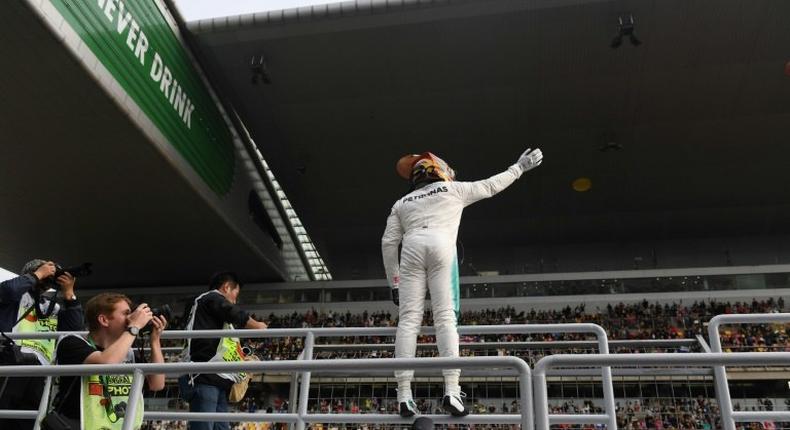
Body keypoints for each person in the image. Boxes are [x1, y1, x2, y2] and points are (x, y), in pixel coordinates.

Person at [381, 149, 543, 417]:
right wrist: (519, 168)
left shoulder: (401, 202)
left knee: (409, 320)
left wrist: (394, 282)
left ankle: (404, 396)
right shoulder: (452, 189)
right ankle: (452, 392)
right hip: (441, 245)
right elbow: (491, 186)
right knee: (445, 318)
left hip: (410, 248)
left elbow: (388, 243)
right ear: (440, 172)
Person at [54, 292, 166, 430]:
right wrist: (134, 327)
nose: (131, 318)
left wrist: (155, 341)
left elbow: (157, 384)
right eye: (126, 313)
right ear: (104, 320)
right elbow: (106, 364)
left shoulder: (128, 353)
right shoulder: (71, 343)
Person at [0, 259, 84, 430]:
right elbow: (7, 290)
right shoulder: (16, 297)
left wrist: (69, 294)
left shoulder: (53, 307)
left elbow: (75, 331)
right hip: (11, 364)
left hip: (41, 371)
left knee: (27, 421)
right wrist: (37, 275)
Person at [181, 272, 268, 430]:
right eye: (236, 294)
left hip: (217, 379)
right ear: (226, 287)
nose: (235, 301)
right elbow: (232, 312)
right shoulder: (210, 297)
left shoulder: (213, 315)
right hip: (203, 376)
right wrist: (258, 325)